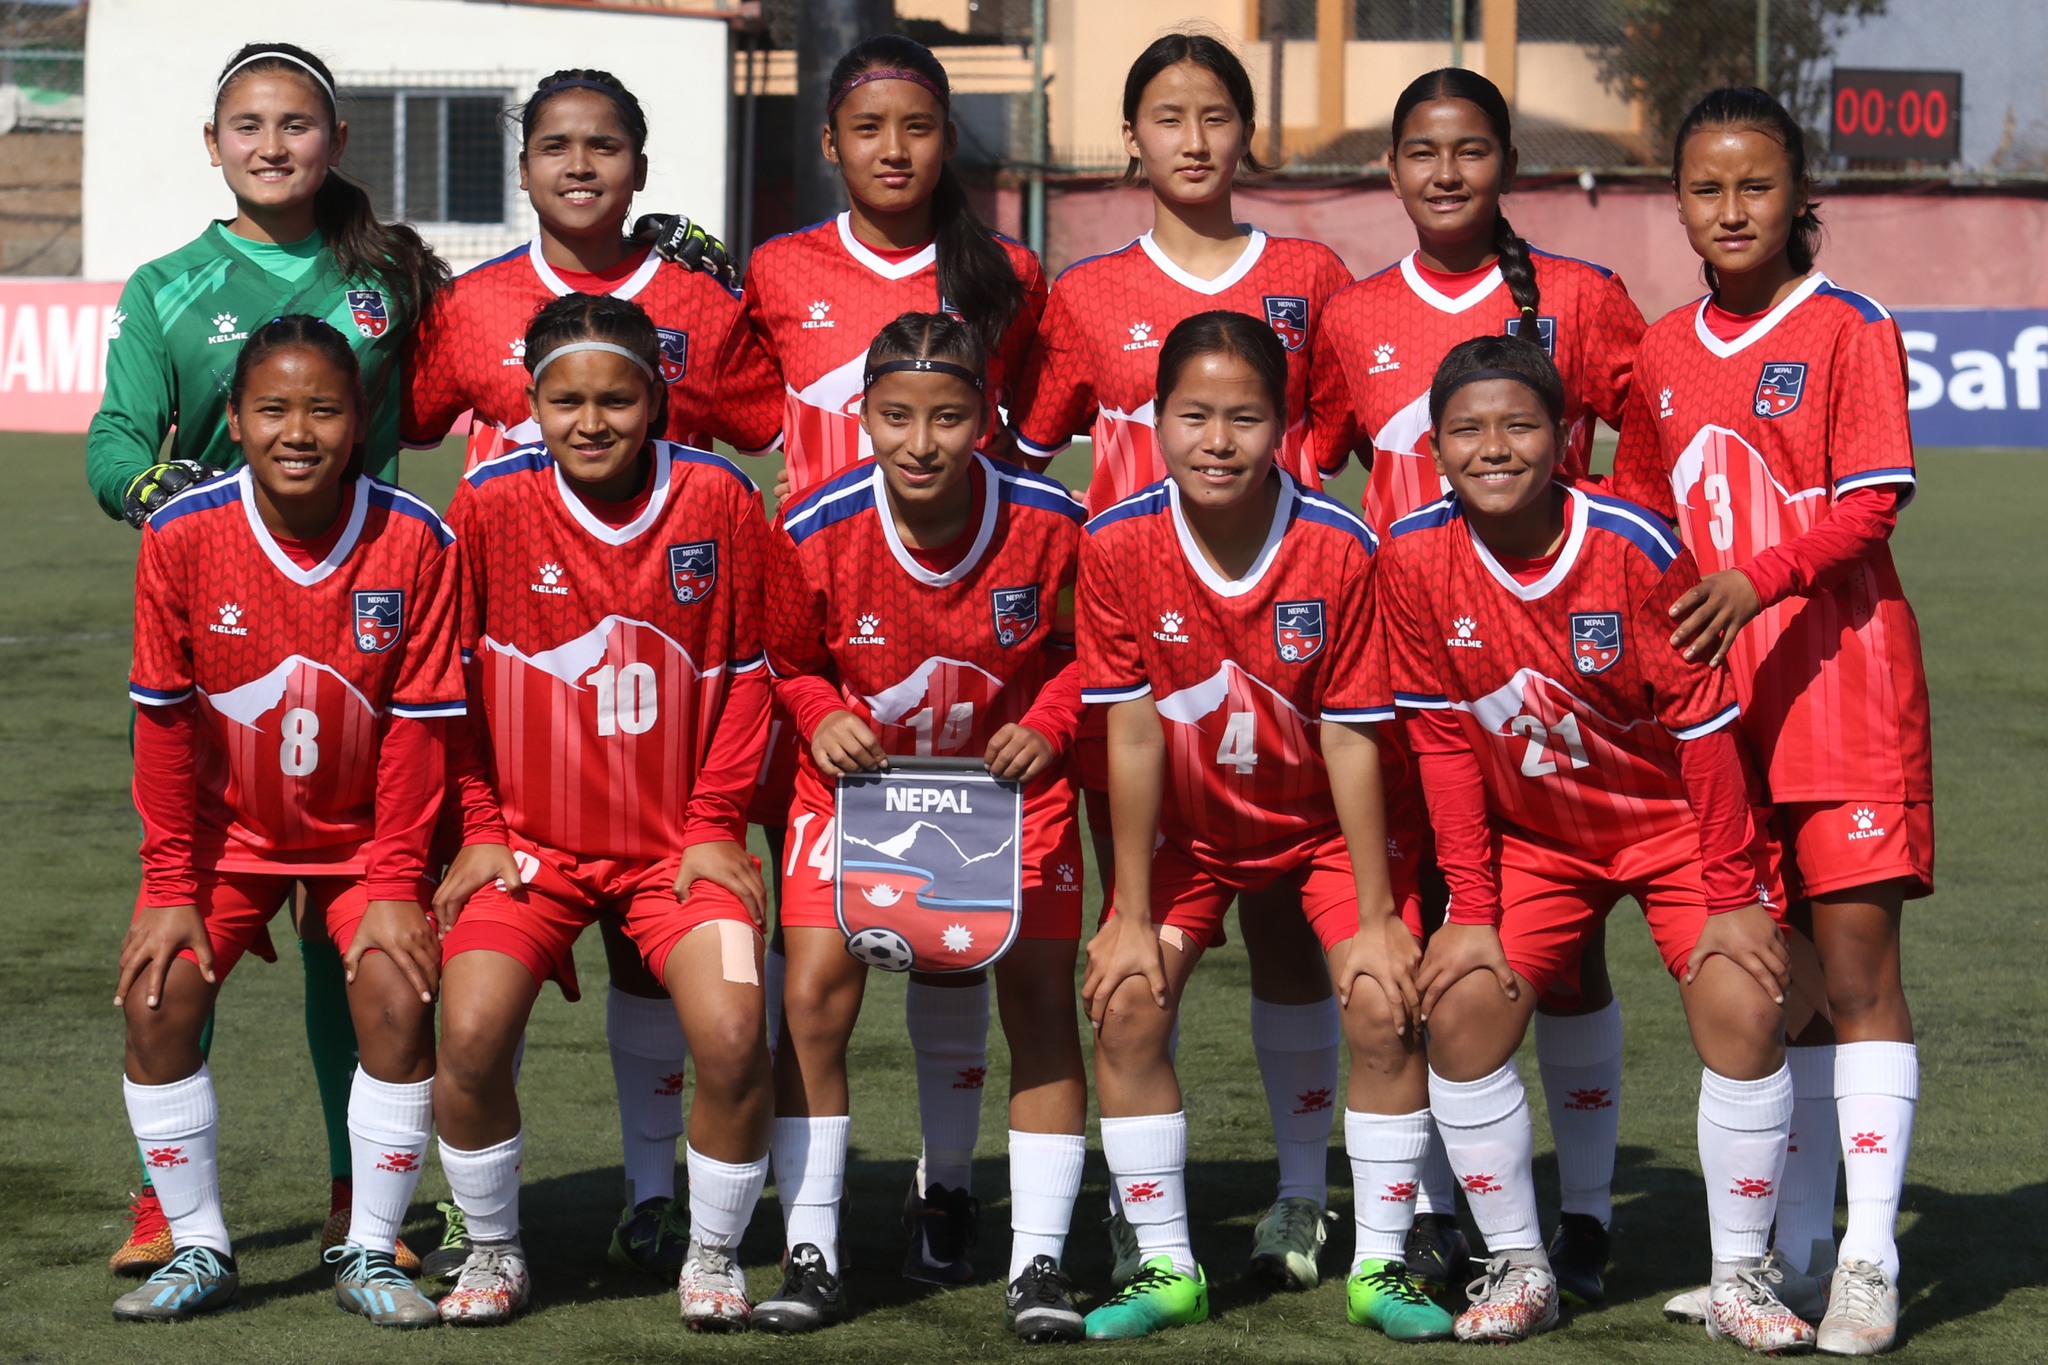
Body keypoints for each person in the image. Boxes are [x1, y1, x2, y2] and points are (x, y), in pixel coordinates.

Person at [399, 66, 781, 1284]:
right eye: (563, 399)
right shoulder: (486, 498)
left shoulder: (715, 494)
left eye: (618, 396)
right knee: (465, 1025)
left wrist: (716, 823)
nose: (592, 417)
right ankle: (488, 1244)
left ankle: (693, 1236)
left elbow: (752, 666)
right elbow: (448, 684)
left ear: (656, 394)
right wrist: (479, 825)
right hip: (534, 824)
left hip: (675, 815)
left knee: (731, 1025)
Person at [87, 40, 448, 1276]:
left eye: (297, 124)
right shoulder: (168, 285)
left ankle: (361, 1199)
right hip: (223, 654)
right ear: (213, 144)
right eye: (248, 124)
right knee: (178, 935)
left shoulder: (389, 277)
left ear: (335, 143)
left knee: (355, 951)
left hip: (364, 643)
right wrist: (157, 490)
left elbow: (482, 375)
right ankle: (164, 1204)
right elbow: (115, 440)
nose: (273, 144)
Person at [1379, 334, 1811, 1352]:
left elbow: (1705, 734)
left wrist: (1732, 893)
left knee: (1746, 1004)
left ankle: (1739, 1276)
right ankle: (1520, 1266)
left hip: (1670, 829)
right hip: (1536, 839)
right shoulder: (1410, 556)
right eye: (1466, 430)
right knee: (1460, 1013)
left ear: (1565, 437)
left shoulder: (1634, 544)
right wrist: (1470, 908)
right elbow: (1441, 743)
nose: (1493, 447)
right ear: (1434, 449)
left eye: (1518, 425)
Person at [1010, 32, 1357, 1293]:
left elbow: (1344, 436)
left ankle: (1302, 1196)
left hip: (1279, 647)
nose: (1194, 139)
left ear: (1246, 132)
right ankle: (1139, 1208)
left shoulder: (1311, 275)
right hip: (1136, 658)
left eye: (1216, 115)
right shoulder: (1085, 293)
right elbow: (1025, 453)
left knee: (1289, 935)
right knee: (1133, 936)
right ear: (1130, 138)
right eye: (1167, 116)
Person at [1306, 66, 1650, 1303]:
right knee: (1438, 935)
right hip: (1412, 677)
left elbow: (1647, 450)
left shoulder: (1583, 297)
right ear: (1389, 167)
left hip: (1552, 686)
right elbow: (1312, 461)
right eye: (1419, 150)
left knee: (1568, 954)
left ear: (1506, 160)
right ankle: (1442, 1215)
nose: (1444, 172)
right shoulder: (1351, 315)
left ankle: (1585, 1214)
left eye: (1468, 149)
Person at [1611, 86, 1932, 1357]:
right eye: (1706, 187)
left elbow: (1869, 505)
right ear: (1676, 201)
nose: (1731, 208)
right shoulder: (1657, 351)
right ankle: (1789, 1258)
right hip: (1714, 719)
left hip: (1840, 693)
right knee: (1775, 984)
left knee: (1854, 980)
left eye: (1755, 184)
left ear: (1801, 195)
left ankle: (1867, 1259)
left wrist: (1754, 579)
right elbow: (1641, 526)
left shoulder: (1849, 326)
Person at [738, 34, 1049, 1281]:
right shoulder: (776, 268)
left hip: (967, 623)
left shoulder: (1007, 272)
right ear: (828, 142)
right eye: (866, 127)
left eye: (917, 126)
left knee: (951, 942)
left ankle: (946, 1190)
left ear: (946, 140)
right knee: (813, 955)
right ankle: (803, 1217)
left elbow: (1030, 440)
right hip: (822, 639)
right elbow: (722, 405)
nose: (892, 149)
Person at [1074, 310, 1445, 1344]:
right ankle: (1164, 1263)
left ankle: (1381, 1260)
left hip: (1324, 825)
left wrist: (1378, 913)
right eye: (1193, 415)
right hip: (1187, 833)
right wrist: (1128, 911)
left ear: (1285, 426)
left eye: (1244, 417)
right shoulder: (1115, 542)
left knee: (1383, 1000)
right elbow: (1131, 736)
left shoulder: (1339, 545)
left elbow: (1352, 740)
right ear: (1155, 420)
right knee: (1127, 1001)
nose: (1217, 440)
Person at [113, 315, 462, 1326]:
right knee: (155, 998)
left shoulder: (415, 538)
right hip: (227, 837)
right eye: (272, 408)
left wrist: (395, 881)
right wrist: (170, 887)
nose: (297, 431)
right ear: (234, 419)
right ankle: (200, 1245)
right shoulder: (183, 535)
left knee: (396, 997)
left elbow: (419, 734)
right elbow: (164, 727)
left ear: (360, 420)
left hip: (364, 839)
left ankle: (371, 1250)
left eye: (324, 410)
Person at [752, 313, 1089, 1340]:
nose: (921, 441)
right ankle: (812, 1248)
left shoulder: (1052, 520)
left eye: (947, 417)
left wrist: (1050, 720)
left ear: (985, 417)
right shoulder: (812, 525)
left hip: (1006, 791)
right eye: (896, 415)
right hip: (858, 791)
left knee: (1039, 997)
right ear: (863, 416)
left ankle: (1032, 1259)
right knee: (812, 993)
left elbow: (1093, 651)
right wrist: (819, 712)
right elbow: (786, 660)